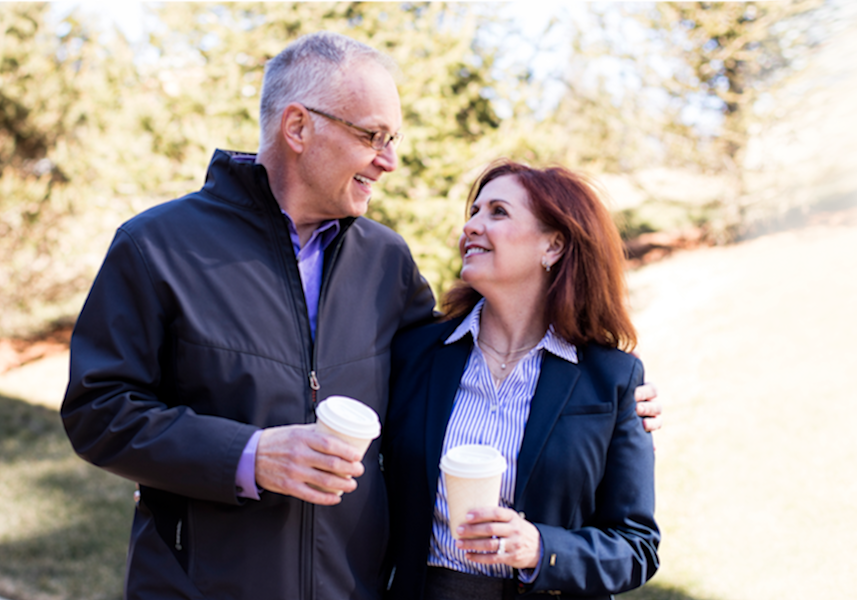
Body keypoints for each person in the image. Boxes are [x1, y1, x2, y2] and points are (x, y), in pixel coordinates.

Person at [60, 33, 660, 599]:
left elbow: (443, 374)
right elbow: (98, 410)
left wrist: (615, 401)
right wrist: (250, 455)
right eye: (374, 137)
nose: (389, 161)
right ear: (298, 126)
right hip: (201, 586)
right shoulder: (157, 246)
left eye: (393, 139)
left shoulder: (386, 262)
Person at [382, 160, 658, 600]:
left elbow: (637, 547)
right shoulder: (414, 353)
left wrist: (540, 549)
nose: (471, 226)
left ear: (553, 246)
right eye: (473, 212)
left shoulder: (613, 380)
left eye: (497, 212)